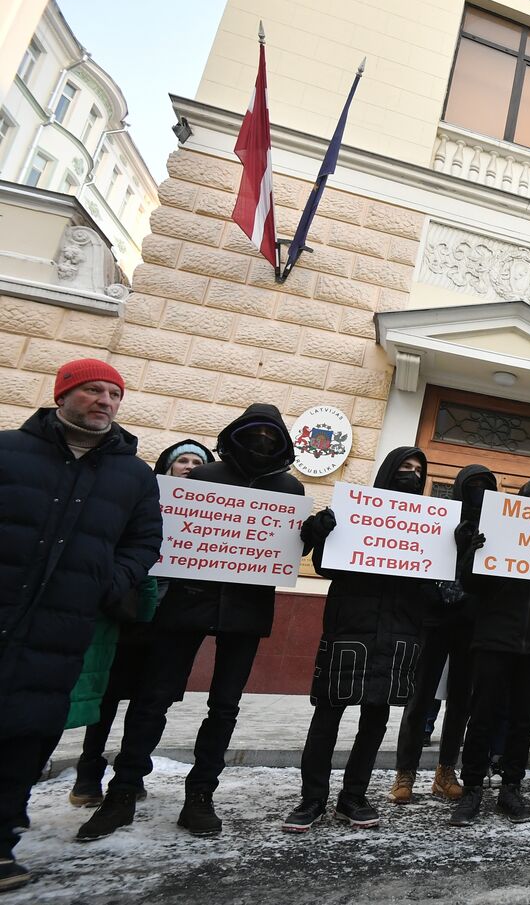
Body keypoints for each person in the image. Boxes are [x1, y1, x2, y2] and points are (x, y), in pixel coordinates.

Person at [80, 404, 304, 840]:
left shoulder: (289, 489)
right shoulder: (202, 480)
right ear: (236, 434)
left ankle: (200, 794)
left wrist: (312, 533)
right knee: (153, 699)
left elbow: (288, 549)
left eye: (271, 437)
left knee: (224, 707)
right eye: (255, 433)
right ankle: (123, 791)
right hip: (186, 604)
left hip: (247, 609)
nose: (262, 443)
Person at [0, 360, 162, 891]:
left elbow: (143, 543)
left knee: (31, 730)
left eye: (114, 395)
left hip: (67, 624)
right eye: (93, 391)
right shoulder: (9, 451)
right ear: (63, 394)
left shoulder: (131, 474)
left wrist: (107, 583)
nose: (105, 402)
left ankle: (1, 842)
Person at [282, 448, 446, 832]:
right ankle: (312, 799)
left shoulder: (428, 527)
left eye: (418, 471)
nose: (411, 475)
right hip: (349, 630)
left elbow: (433, 590)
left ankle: (353, 796)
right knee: (327, 718)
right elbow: (325, 566)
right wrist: (321, 534)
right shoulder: (355, 514)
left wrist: (455, 550)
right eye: (404, 468)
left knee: (375, 721)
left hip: (400, 634)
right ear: (389, 470)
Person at [70, 439, 214, 808]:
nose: (189, 466)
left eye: (198, 462)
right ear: (166, 467)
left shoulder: (212, 512)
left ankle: (130, 774)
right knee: (107, 695)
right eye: (182, 460)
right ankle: (89, 773)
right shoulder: (141, 498)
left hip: (175, 618)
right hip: (129, 612)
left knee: (152, 702)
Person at [449, 479, 530, 826]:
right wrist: (473, 552)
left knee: (524, 720)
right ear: (520, 502)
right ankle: (473, 788)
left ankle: (511, 787)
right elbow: (471, 584)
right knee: (483, 715)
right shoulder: (497, 537)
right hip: (494, 639)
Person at [389, 463, 496, 805]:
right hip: (435, 619)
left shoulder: (495, 526)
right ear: (461, 486)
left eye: (485, 485)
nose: (478, 490)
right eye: (473, 484)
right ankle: (405, 773)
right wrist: (429, 593)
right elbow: (420, 560)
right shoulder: (440, 518)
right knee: (420, 697)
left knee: (461, 700)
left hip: (471, 623)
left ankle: (446, 771)